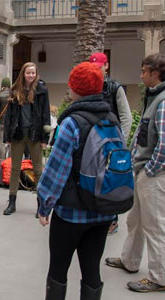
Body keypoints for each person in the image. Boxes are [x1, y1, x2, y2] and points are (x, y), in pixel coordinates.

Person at [38, 62, 116, 300]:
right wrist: (114, 212)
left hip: (71, 213)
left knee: (58, 271)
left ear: (74, 88)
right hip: (102, 210)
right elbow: (116, 168)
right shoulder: (112, 120)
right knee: (92, 271)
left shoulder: (71, 123)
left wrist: (45, 205)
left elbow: (56, 171)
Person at [105, 53, 165, 293]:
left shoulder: (162, 101)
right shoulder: (153, 98)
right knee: (135, 221)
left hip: (153, 175)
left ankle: (159, 277)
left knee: (155, 225)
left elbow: (163, 145)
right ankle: (130, 261)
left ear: (155, 73)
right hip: (144, 171)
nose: (140, 76)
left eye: (143, 72)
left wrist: (149, 171)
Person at [89, 52, 133, 235]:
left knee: (111, 180)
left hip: (111, 142)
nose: (97, 69)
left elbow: (126, 116)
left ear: (106, 66)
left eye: (99, 66)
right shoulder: (90, 86)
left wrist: (120, 142)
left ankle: (112, 220)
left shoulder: (115, 88)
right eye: (93, 66)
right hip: (93, 142)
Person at [3, 62, 50, 216]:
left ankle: (40, 205)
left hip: (35, 135)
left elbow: (45, 114)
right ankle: (12, 203)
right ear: (23, 73)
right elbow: (9, 115)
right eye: (28, 73)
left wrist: (45, 138)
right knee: (15, 169)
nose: (31, 75)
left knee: (38, 170)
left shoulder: (42, 90)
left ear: (36, 74)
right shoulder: (15, 90)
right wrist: (7, 137)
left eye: (33, 73)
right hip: (17, 134)